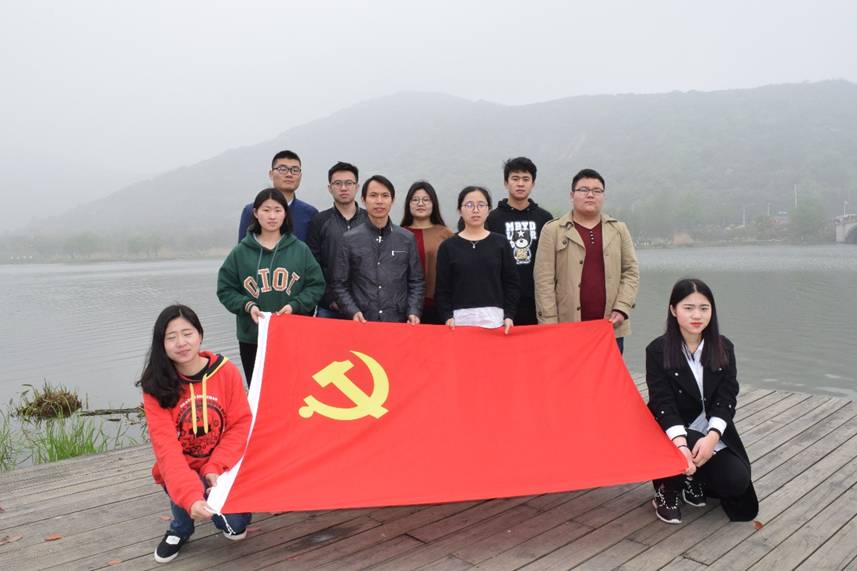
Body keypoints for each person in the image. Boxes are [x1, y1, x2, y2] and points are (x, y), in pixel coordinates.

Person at [138, 304, 253, 564]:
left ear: (200, 334)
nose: (181, 343)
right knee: (186, 499)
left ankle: (231, 509)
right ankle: (180, 528)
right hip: (182, 467)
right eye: (171, 337)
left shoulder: (225, 371)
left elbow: (240, 424)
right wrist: (191, 498)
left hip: (222, 466)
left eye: (187, 333)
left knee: (236, 528)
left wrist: (216, 466)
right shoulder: (155, 384)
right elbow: (167, 450)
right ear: (162, 344)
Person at [646, 278, 758, 524]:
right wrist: (681, 445)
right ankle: (667, 489)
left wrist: (713, 437)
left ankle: (692, 478)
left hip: (710, 430)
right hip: (672, 428)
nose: (697, 315)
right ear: (673, 310)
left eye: (704, 308)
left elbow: (727, 397)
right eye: (688, 308)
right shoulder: (657, 350)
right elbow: (662, 402)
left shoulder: (723, 347)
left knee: (737, 481)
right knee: (684, 448)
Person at [218, 188, 324, 384]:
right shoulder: (240, 252)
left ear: (285, 214)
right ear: (255, 213)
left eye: (277, 210)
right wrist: (247, 305)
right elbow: (225, 289)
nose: (272, 216)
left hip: (292, 335)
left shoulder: (300, 250)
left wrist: (295, 305)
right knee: (257, 389)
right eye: (266, 210)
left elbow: (316, 285)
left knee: (293, 388)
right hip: (252, 337)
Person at [533, 168, 639, 353]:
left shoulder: (618, 229)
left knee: (608, 372)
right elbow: (544, 280)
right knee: (568, 372)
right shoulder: (553, 230)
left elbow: (631, 271)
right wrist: (549, 324)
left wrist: (622, 307)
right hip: (567, 328)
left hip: (609, 327)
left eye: (597, 191)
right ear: (572, 195)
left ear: (603, 196)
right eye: (583, 190)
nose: (590, 195)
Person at [331, 175, 425, 324]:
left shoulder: (406, 239)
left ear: (392, 200)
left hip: (398, 320)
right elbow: (339, 284)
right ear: (363, 200)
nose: (379, 201)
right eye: (373, 195)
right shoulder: (349, 239)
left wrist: (413, 311)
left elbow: (416, 282)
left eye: (385, 196)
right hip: (361, 320)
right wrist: (352, 311)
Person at [435, 186, 520, 333]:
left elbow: (511, 283)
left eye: (481, 205)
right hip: (459, 320)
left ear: (489, 209)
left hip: (495, 319)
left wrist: (509, 315)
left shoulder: (501, 243)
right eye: (469, 205)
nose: (475, 210)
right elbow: (442, 288)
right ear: (459, 210)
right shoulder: (448, 246)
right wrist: (447, 316)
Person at [485, 157, 553, 325]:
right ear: (506, 183)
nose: (520, 184)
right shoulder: (492, 219)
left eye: (526, 179)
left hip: (536, 300)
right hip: (500, 300)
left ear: (533, 183)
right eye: (515, 178)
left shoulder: (545, 218)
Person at [306, 161, 367, 318]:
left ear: (357, 187)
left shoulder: (370, 220)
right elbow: (313, 265)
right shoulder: (319, 221)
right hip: (330, 307)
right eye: (338, 183)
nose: (343, 188)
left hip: (366, 305)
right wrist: (329, 299)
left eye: (349, 183)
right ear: (330, 188)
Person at [401, 181, 453, 325]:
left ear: (433, 203)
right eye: (415, 200)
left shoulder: (445, 234)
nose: (420, 204)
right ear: (408, 204)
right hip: (405, 306)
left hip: (438, 306)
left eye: (426, 199)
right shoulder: (399, 234)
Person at [237, 150, 318, 242]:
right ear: (271, 174)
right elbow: (243, 247)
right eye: (283, 169)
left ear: (300, 176)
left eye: (295, 170)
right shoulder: (252, 210)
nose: (289, 174)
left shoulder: (310, 213)